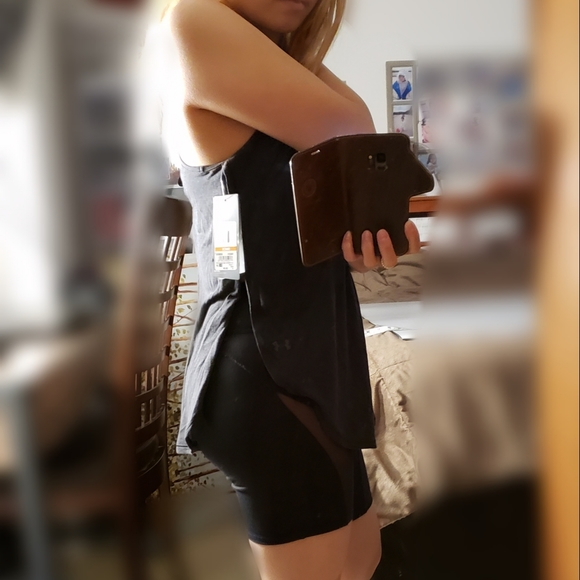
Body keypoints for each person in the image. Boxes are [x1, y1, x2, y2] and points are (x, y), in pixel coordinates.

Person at [148, 1, 420, 578]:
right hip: (268, 371)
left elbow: (293, 217)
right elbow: (354, 131)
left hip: (312, 363)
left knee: (363, 565)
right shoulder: (193, 19)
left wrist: (353, 248)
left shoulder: (267, 60)